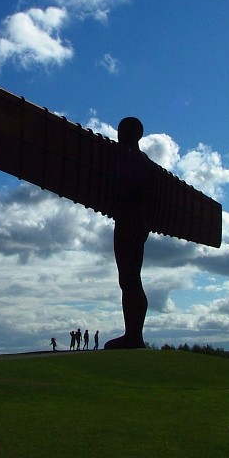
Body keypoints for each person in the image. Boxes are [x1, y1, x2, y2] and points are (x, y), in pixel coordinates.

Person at [105, 118, 151, 350]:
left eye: (121, 132)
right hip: (135, 223)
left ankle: (134, 335)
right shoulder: (144, 161)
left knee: (130, 278)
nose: (118, 136)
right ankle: (133, 333)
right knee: (130, 278)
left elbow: (124, 190)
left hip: (129, 223)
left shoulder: (131, 159)